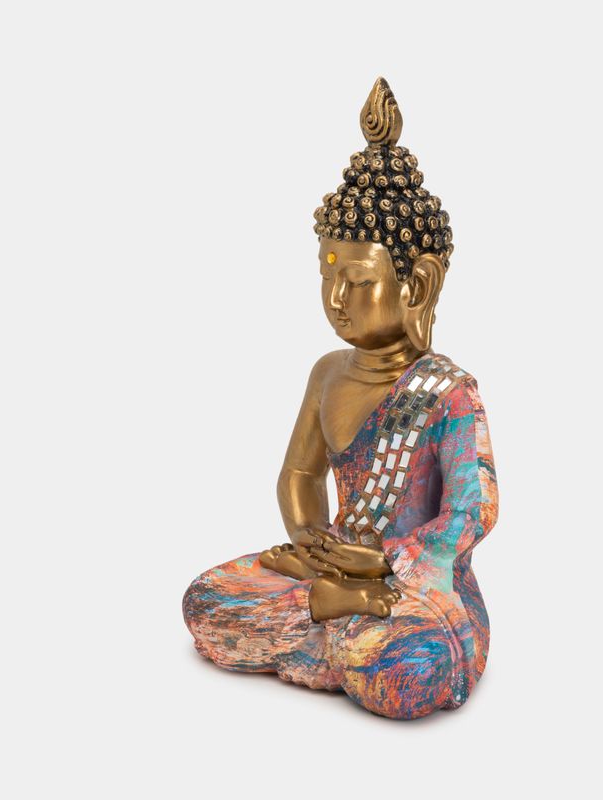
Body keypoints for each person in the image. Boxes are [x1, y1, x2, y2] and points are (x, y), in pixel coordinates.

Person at [183, 78, 498, 720]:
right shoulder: (327, 373)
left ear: (417, 285)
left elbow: (474, 512)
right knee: (206, 598)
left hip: (414, 586)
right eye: (326, 275)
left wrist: (381, 561)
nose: (335, 299)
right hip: (333, 570)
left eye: (356, 280)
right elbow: (300, 474)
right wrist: (309, 546)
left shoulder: (448, 391)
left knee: (406, 669)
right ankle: (331, 611)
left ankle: (336, 624)